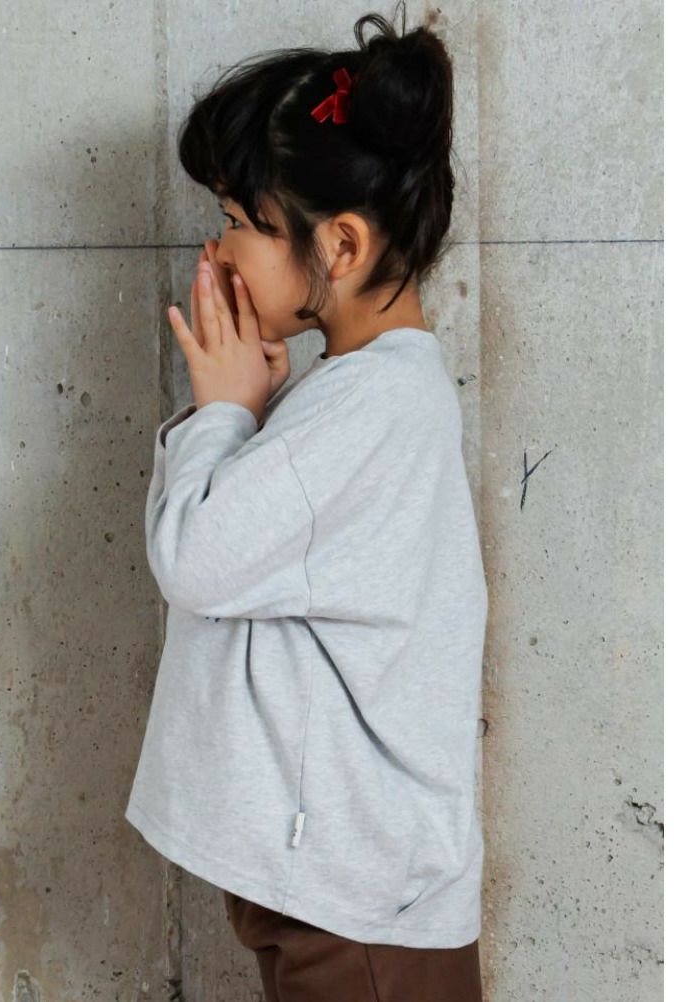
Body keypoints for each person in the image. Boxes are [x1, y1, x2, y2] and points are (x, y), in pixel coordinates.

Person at [125, 4, 487, 999]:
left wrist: (223, 413)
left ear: (341, 246)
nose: (220, 250)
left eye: (242, 223)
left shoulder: (372, 406)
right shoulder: (361, 396)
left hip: (361, 915)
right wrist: (255, 412)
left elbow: (198, 559)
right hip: (350, 891)